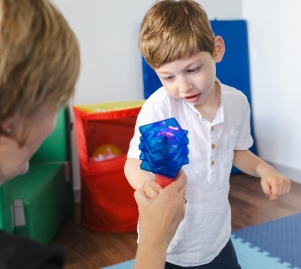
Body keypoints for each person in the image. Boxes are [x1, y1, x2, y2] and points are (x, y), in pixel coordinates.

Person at [0, 0, 186, 268]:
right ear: (9, 117)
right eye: (56, 102)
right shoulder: (15, 261)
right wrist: (154, 240)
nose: (53, 125)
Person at [124, 0, 291, 268]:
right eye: (168, 77)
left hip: (216, 239)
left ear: (216, 50)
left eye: (192, 69)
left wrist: (266, 171)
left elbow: (236, 151)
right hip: (170, 246)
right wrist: (148, 185)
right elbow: (132, 163)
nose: (184, 85)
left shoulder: (236, 103)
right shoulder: (160, 108)